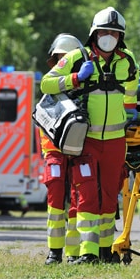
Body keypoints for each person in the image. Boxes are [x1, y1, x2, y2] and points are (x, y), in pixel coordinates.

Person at [40, 7, 139, 264]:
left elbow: (132, 89)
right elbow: (46, 84)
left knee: (109, 196)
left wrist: (130, 110)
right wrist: (74, 78)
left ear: (121, 37)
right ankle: (87, 251)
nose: (109, 36)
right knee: (87, 195)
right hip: (87, 141)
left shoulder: (128, 60)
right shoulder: (76, 57)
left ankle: (106, 251)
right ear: (94, 33)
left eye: (114, 33)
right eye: (104, 32)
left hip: (116, 142)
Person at [41, 33, 82, 265]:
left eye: (66, 58)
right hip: (55, 152)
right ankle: (54, 252)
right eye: (59, 58)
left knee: (78, 200)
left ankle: (74, 253)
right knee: (56, 199)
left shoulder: (84, 91)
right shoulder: (49, 90)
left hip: (77, 152)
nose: (62, 62)